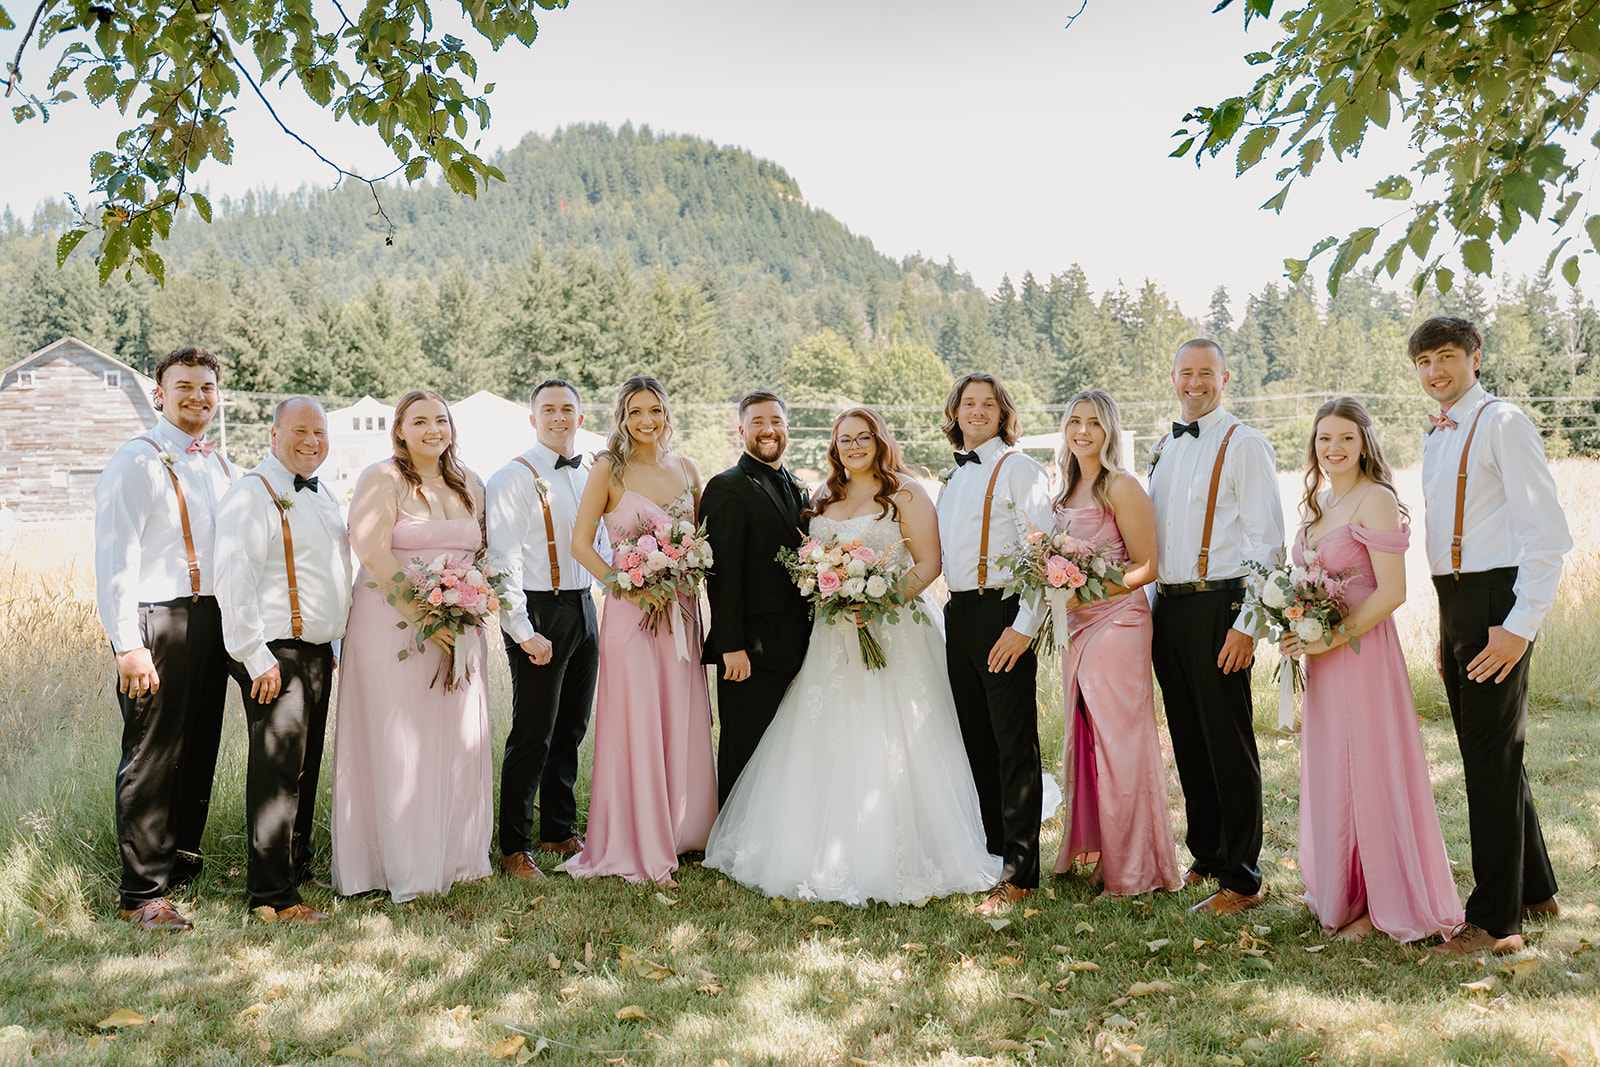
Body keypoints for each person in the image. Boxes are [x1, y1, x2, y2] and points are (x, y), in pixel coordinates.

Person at [704, 408, 1002, 905]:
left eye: (864, 437)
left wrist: (881, 598)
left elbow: (930, 563)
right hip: (831, 636)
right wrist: (833, 591)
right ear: (834, 446)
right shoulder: (823, 495)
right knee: (828, 731)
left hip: (896, 629)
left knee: (898, 733)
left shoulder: (906, 491)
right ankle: (820, 844)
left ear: (880, 440)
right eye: (845, 439)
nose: (855, 446)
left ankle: (909, 842)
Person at [1409, 317, 1572, 956]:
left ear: (1476, 357)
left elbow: (1548, 536)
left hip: (1496, 602)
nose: (1435, 371)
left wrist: (1516, 627)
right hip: (1458, 602)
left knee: (1487, 763)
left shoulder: (1501, 422)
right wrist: (1453, 625)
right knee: (1495, 752)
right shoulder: (1437, 434)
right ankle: (1536, 890)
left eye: (1447, 357)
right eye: (1424, 361)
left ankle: (1496, 921)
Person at [1278, 397, 1464, 943]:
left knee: (1368, 763)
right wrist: (1297, 623)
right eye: (1323, 439)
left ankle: (1379, 901)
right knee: (1335, 764)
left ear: (1365, 444)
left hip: (1361, 653)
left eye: (1345, 439)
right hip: (1324, 657)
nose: (1332, 449)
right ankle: (1346, 890)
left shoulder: (1375, 499)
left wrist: (1330, 636)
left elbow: (1393, 592)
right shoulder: (1319, 503)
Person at [95, 346, 238, 931]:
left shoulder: (221, 465)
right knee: (153, 754)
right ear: (160, 392)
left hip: (214, 619)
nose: (197, 397)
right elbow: (114, 558)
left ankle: (176, 864)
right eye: (184, 387)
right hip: (157, 620)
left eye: (206, 387)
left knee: (199, 745)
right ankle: (140, 894)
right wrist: (127, 643)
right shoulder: (137, 461)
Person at [331, 390, 493, 901]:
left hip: (459, 626)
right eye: (419, 421)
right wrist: (427, 616)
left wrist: (468, 608)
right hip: (394, 626)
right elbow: (372, 552)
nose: (432, 430)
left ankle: (454, 855)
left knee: (454, 736)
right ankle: (394, 864)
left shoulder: (471, 484)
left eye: (440, 420)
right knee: (398, 740)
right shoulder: (383, 478)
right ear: (399, 429)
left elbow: (480, 553)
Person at [1147, 338, 1284, 918]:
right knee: (1189, 738)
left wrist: (1248, 624)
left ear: (1225, 377)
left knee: (1228, 741)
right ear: (1173, 377)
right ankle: (1206, 853)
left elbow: (1267, 543)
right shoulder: (1163, 448)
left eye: (1206, 373)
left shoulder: (1244, 444)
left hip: (1222, 605)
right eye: (1185, 372)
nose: (1194, 382)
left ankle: (1244, 878)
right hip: (1169, 608)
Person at [565, 376, 716, 884]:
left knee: (681, 714)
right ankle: (638, 840)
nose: (646, 420)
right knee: (637, 720)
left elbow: (700, 540)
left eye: (654, 410)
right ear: (622, 418)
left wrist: (686, 571)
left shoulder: (687, 468)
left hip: (681, 611)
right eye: (635, 412)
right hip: (631, 616)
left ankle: (683, 830)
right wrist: (623, 584)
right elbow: (581, 545)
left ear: (667, 413)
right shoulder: (608, 467)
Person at [215, 397, 353, 924]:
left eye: (319, 432)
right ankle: (272, 895)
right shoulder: (253, 493)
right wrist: (255, 657)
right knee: (276, 774)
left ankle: (295, 867)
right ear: (274, 435)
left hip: (316, 653)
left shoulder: (323, 494)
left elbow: (331, 574)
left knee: (303, 767)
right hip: (275, 654)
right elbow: (234, 579)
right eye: (300, 431)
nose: (311, 441)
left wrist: (335, 645)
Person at [1048, 390, 1182, 898]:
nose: (1082, 431)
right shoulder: (1064, 491)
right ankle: (1105, 852)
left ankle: (1135, 871)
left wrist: (1081, 589)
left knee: (1120, 744)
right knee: (1086, 739)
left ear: (1109, 431)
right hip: (1076, 624)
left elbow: (1146, 566)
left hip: (1119, 622)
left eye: (1094, 424)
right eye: (1074, 421)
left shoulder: (1121, 487)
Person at [936, 373, 1053, 916]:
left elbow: (1044, 554)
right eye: (968, 404)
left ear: (1003, 413)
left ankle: (1020, 872)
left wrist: (1024, 626)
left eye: (988, 404)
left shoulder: (1021, 468)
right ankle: (991, 855)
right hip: (958, 615)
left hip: (1002, 613)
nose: (977, 411)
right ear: (955, 413)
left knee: (1013, 745)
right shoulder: (954, 479)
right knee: (976, 740)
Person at [486, 379, 603, 880]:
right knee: (533, 732)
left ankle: (557, 828)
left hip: (583, 606)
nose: (559, 417)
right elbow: (502, 559)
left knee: (572, 728)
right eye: (548, 410)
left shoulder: (593, 473)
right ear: (533, 419)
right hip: (538, 610)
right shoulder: (512, 477)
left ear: (580, 417)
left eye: (568, 409)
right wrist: (520, 629)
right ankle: (514, 844)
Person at [700, 391, 812, 806]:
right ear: (742, 429)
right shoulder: (726, 487)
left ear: (787, 428)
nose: (768, 430)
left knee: (783, 747)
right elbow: (721, 574)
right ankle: (730, 835)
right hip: (750, 647)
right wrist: (732, 646)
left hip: (797, 643)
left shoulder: (799, 487)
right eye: (758, 422)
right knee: (745, 744)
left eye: (776, 421)